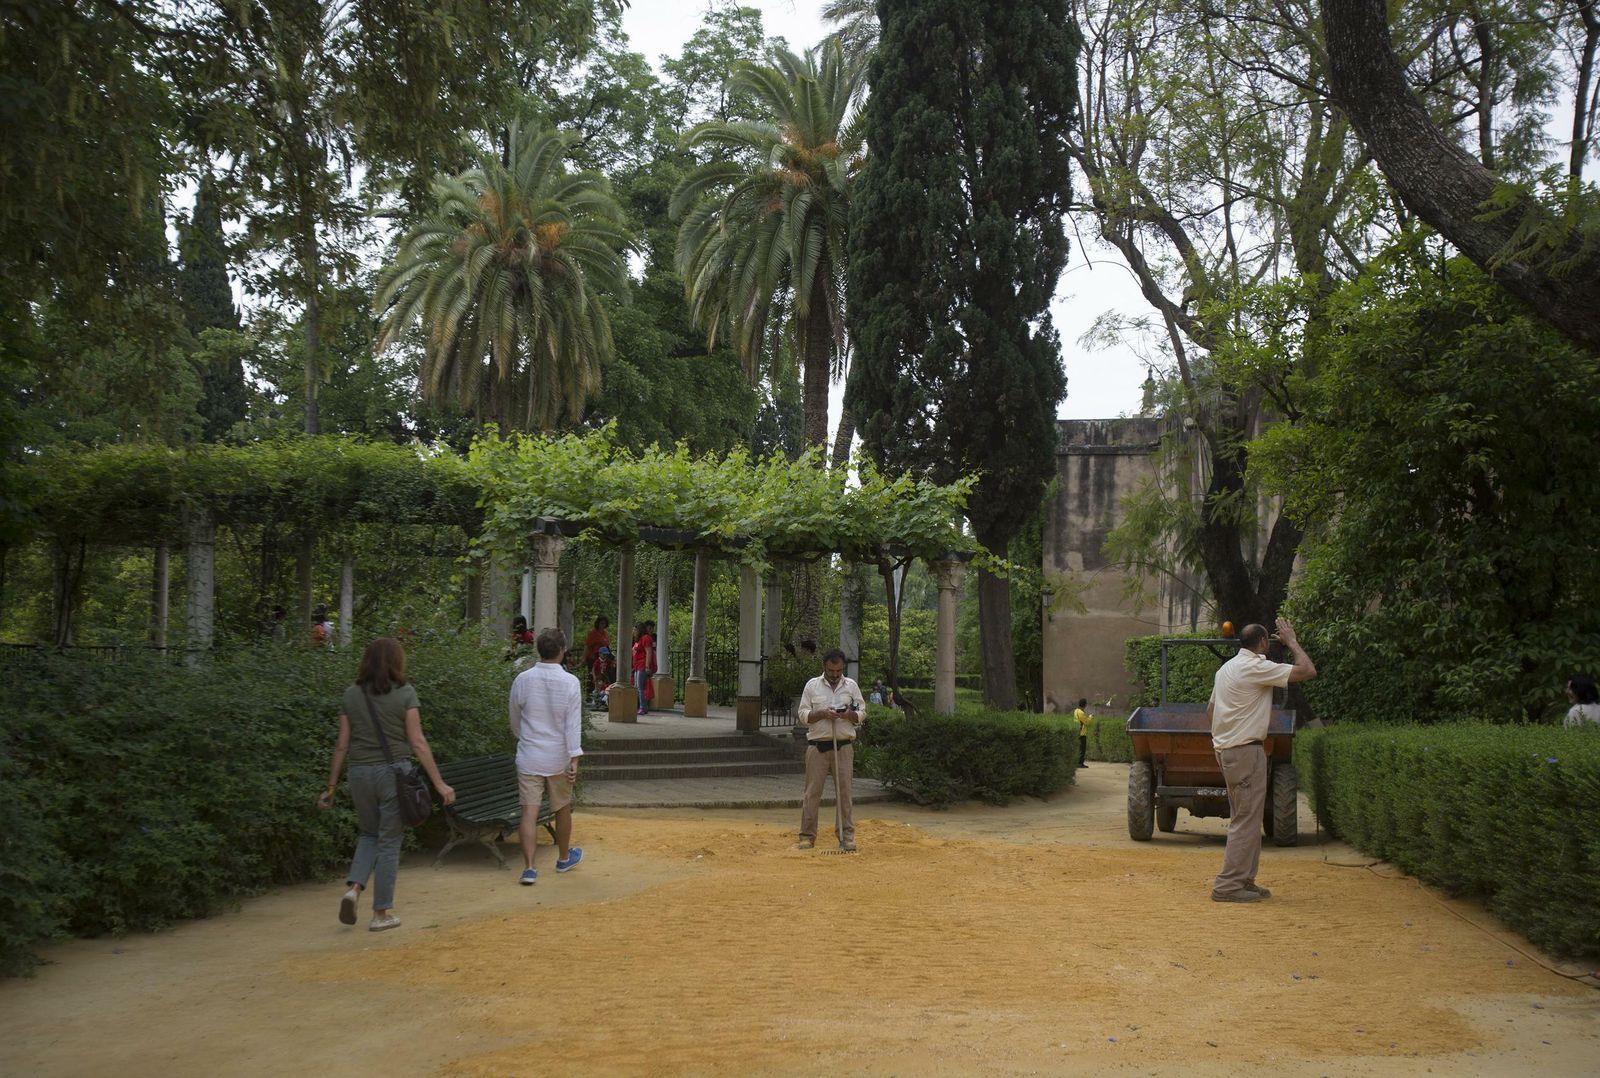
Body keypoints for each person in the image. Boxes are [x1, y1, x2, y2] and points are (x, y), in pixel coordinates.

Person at [317, 637, 456, 932]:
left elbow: (341, 745)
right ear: (397, 661)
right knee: (389, 841)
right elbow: (417, 742)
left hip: (359, 774)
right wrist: (439, 783)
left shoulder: (351, 695)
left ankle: (354, 888)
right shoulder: (405, 693)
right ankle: (381, 913)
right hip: (393, 775)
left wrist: (330, 787)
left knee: (369, 834)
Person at [1205, 617, 1316, 903]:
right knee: (1246, 820)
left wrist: (1223, 738)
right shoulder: (1256, 667)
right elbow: (1307, 670)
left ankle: (1245, 881)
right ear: (1264, 643)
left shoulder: (1226, 669)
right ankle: (1228, 886)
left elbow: (1210, 710)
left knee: (1247, 818)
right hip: (1245, 751)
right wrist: (1291, 642)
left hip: (1228, 750)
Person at [509, 627, 584, 884]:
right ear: (562, 651)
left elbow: (515, 720)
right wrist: (574, 758)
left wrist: (526, 739)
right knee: (562, 808)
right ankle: (563, 858)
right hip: (558, 757)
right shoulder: (570, 683)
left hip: (530, 754)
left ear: (539, 650)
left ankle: (529, 868)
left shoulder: (522, 680)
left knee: (528, 812)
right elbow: (572, 726)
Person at [796, 647, 867, 852]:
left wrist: (848, 715)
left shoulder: (851, 686)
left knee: (845, 793)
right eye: (831, 671)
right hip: (817, 747)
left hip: (843, 746)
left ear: (842, 668)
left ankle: (847, 836)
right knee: (812, 793)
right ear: (824, 667)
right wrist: (821, 713)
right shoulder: (812, 686)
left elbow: (862, 713)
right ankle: (807, 836)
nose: (835, 675)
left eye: (838, 671)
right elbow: (803, 714)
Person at [631, 621, 653, 716]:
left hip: (642, 665)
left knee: (640, 687)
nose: (633, 631)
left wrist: (647, 666)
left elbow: (648, 652)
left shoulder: (645, 638)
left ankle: (643, 707)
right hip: (637, 666)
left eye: (635, 629)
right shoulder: (639, 639)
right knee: (637, 687)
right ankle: (640, 706)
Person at [1073, 698, 1092, 768]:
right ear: (1085, 704)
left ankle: (1078, 762)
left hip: (1078, 731)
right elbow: (1087, 722)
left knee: (1079, 749)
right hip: (1082, 733)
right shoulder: (1081, 712)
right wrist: (1091, 717)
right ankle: (1080, 763)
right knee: (1082, 749)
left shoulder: (1076, 711)